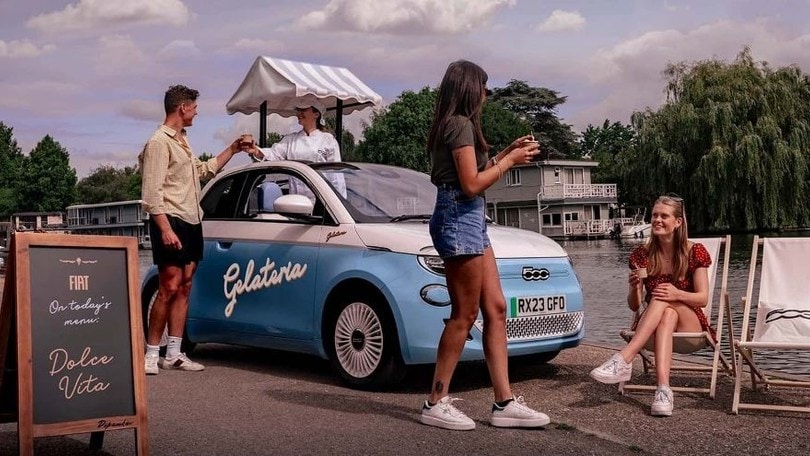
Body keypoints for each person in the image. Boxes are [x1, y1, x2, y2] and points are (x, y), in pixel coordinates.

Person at [419, 59, 550, 431]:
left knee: (495, 307)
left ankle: (504, 402)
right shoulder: (458, 124)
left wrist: (503, 152)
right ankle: (435, 401)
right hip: (458, 217)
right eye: (483, 86)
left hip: (470, 219)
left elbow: (474, 174)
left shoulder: (458, 125)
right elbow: (471, 185)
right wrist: (509, 160)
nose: (487, 94)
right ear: (468, 88)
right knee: (465, 314)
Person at [139, 84, 248, 375]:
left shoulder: (183, 141)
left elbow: (203, 171)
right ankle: (151, 353)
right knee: (168, 287)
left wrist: (233, 149)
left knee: (185, 286)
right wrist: (164, 229)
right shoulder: (159, 142)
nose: (197, 112)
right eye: (194, 107)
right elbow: (151, 194)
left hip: (191, 219)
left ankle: (174, 352)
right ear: (182, 107)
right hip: (170, 219)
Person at [589, 194, 713, 417]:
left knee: (664, 296)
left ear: (678, 222)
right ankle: (663, 391)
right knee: (666, 313)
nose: (657, 220)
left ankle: (625, 358)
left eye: (664, 216)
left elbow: (702, 298)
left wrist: (676, 293)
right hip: (655, 325)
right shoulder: (642, 255)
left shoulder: (695, 251)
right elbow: (634, 305)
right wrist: (635, 288)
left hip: (691, 325)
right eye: (654, 215)